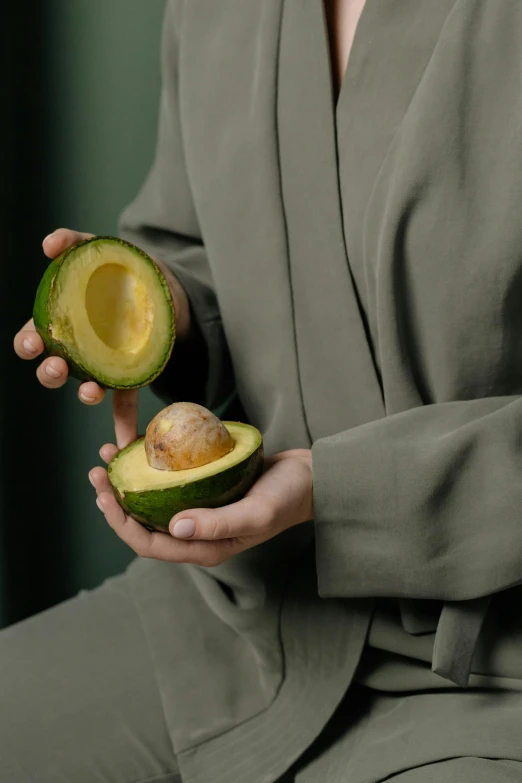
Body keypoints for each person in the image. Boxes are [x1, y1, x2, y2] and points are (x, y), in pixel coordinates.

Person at [7, 0, 522, 780]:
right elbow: (197, 240)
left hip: (494, 669)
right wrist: (170, 316)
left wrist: (337, 488)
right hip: (240, 617)